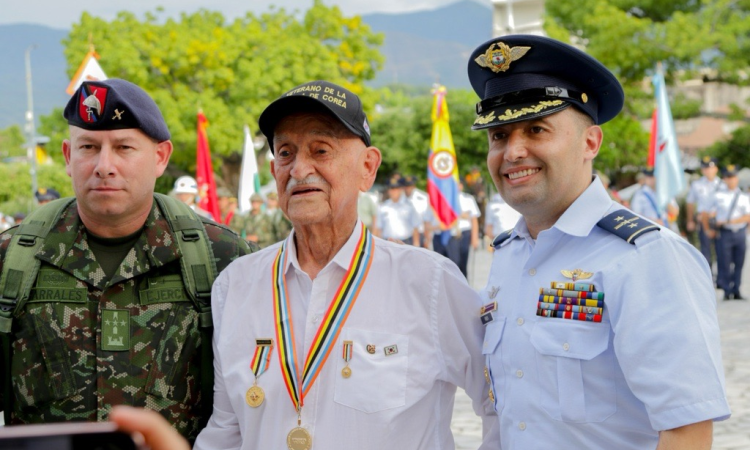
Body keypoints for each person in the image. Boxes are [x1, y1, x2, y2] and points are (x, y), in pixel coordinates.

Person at [193, 80, 497, 450]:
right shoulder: (237, 285)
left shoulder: (428, 282)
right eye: (286, 153)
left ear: (367, 168)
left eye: (321, 150)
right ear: (274, 171)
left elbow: (501, 402)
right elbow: (226, 428)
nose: (300, 168)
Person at [468, 35, 729, 449]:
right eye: (498, 136)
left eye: (536, 129)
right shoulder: (509, 254)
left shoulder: (644, 256)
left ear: (590, 143)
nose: (513, 151)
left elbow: (686, 429)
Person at [0, 78, 253, 442]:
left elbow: (251, 407)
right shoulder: (13, 259)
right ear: (69, 158)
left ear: (160, 157)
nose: (104, 165)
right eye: (88, 146)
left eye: (123, 147)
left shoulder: (221, 257)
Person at [705, 164, 750, 300]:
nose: (730, 180)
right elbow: (707, 213)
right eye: (728, 177)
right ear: (724, 179)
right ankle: (726, 289)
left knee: (739, 262)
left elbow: (747, 216)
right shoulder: (718, 196)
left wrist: (729, 221)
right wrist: (709, 228)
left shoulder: (743, 196)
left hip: (739, 232)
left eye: (733, 177)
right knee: (724, 262)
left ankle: (736, 288)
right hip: (724, 233)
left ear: (736, 179)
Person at [686, 156, 723, 267]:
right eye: (705, 168)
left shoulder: (723, 184)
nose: (708, 171)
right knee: (705, 251)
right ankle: (708, 278)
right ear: (702, 170)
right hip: (703, 221)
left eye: (710, 168)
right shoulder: (697, 185)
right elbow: (690, 203)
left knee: (721, 251)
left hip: (719, 221)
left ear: (716, 169)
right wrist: (690, 220)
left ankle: (721, 280)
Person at [376, 174, 421, 245]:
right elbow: (378, 228)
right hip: (388, 242)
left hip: (406, 242)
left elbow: (415, 228)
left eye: (396, 189)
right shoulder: (383, 207)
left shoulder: (409, 206)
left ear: (400, 190)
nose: (394, 191)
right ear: (388, 191)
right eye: (392, 189)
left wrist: (416, 246)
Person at [403, 175, 431, 247]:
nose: (407, 189)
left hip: (420, 234)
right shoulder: (400, 199)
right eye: (405, 186)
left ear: (414, 186)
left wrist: (427, 238)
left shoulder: (422, 198)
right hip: (405, 235)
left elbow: (426, 219)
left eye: (409, 186)